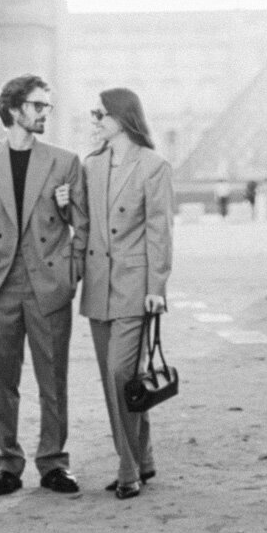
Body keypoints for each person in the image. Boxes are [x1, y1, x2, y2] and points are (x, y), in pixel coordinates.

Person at [0, 74, 88, 497]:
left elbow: (82, 225)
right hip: (0, 284)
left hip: (49, 283)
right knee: (4, 379)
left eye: (47, 106)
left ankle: (53, 462)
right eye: (37, 106)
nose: (45, 113)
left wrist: (70, 272)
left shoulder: (65, 161)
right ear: (14, 110)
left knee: (54, 378)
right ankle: (7, 465)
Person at [79, 87, 174, 500]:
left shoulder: (153, 166)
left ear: (121, 117)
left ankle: (127, 468)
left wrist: (156, 288)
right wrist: (65, 203)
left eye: (100, 113)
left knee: (121, 373)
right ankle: (144, 456)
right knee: (116, 379)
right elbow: (83, 223)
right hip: (99, 285)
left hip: (135, 288)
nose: (95, 120)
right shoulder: (91, 165)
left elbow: (159, 231)